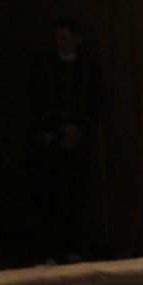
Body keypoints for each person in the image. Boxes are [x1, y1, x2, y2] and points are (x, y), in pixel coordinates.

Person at [29, 17, 105, 264]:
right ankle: (49, 249)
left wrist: (79, 129)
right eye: (56, 38)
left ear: (76, 39)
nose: (59, 43)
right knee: (51, 194)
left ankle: (71, 246)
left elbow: (96, 102)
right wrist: (60, 129)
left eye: (64, 37)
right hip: (51, 139)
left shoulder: (89, 68)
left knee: (76, 194)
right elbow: (37, 101)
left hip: (79, 141)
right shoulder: (44, 66)